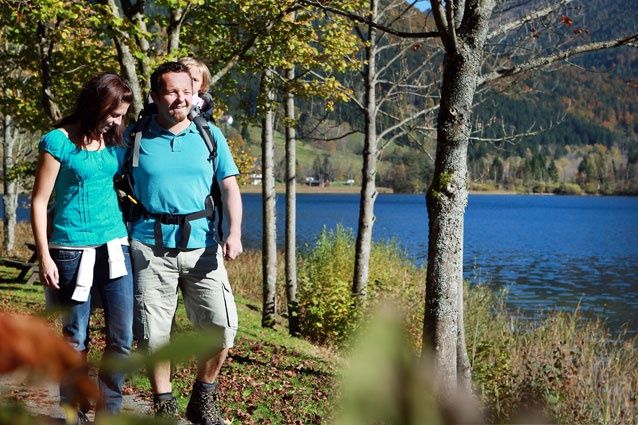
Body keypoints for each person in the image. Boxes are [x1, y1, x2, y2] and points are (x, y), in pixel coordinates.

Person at [128, 61, 242, 424]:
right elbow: (101, 173)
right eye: (172, 91)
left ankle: (203, 397)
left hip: (203, 247)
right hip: (149, 248)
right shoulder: (135, 137)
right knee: (153, 336)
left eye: (186, 91)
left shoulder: (210, 135)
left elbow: (229, 187)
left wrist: (234, 232)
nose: (180, 98)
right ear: (155, 96)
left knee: (222, 327)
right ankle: (164, 406)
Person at [31, 73, 134, 423]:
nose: (117, 121)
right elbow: (39, 201)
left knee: (122, 338)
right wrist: (45, 256)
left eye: (121, 115)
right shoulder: (58, 141)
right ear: (95, 104)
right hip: (71, 251)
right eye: (113, 113)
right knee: (75, 338)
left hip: (115, 246)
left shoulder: (112, 140)